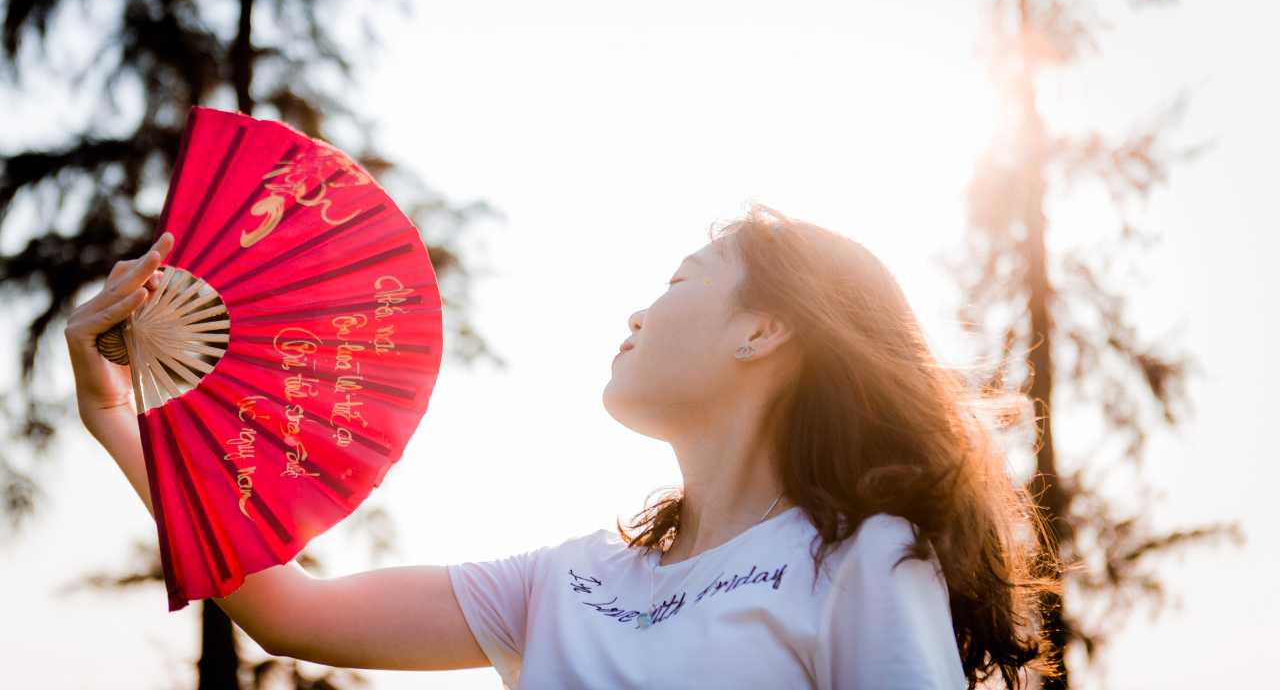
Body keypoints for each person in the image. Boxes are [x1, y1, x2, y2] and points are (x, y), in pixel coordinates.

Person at [66, 201, 1063, 689]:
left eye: (676, 280)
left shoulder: (861, 556)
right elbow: (288, 611)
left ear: (765, 331)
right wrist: (120, 416)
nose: (634, 312)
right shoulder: (566, 582)